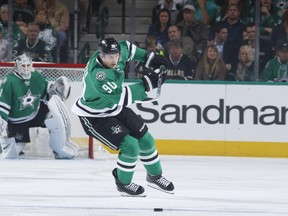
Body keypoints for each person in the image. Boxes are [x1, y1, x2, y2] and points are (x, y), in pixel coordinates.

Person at [71, 37, 174, 197]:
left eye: (116, 56)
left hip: (113, 108)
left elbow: (127, 48)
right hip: (94, 116)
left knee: (146, 139)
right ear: (101, 55)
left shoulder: (118, 52)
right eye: (109, 57)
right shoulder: (99, 75)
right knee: (131, 146)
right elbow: (121, 97)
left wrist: (149, 57)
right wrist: (147, 83)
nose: (113, 60)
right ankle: (123, 183)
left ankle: (155, 176)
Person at [0, 53, 79, 159]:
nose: (26, 68)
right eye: (23, 66)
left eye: (28, 65)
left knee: (53, 116)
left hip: (35, 113)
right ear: (17, 66)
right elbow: (3, 107)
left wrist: (58, 91)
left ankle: (59, 149)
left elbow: (47, 95)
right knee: (15, 151)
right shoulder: (9, 81)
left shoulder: (37, 77)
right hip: (17, 121)